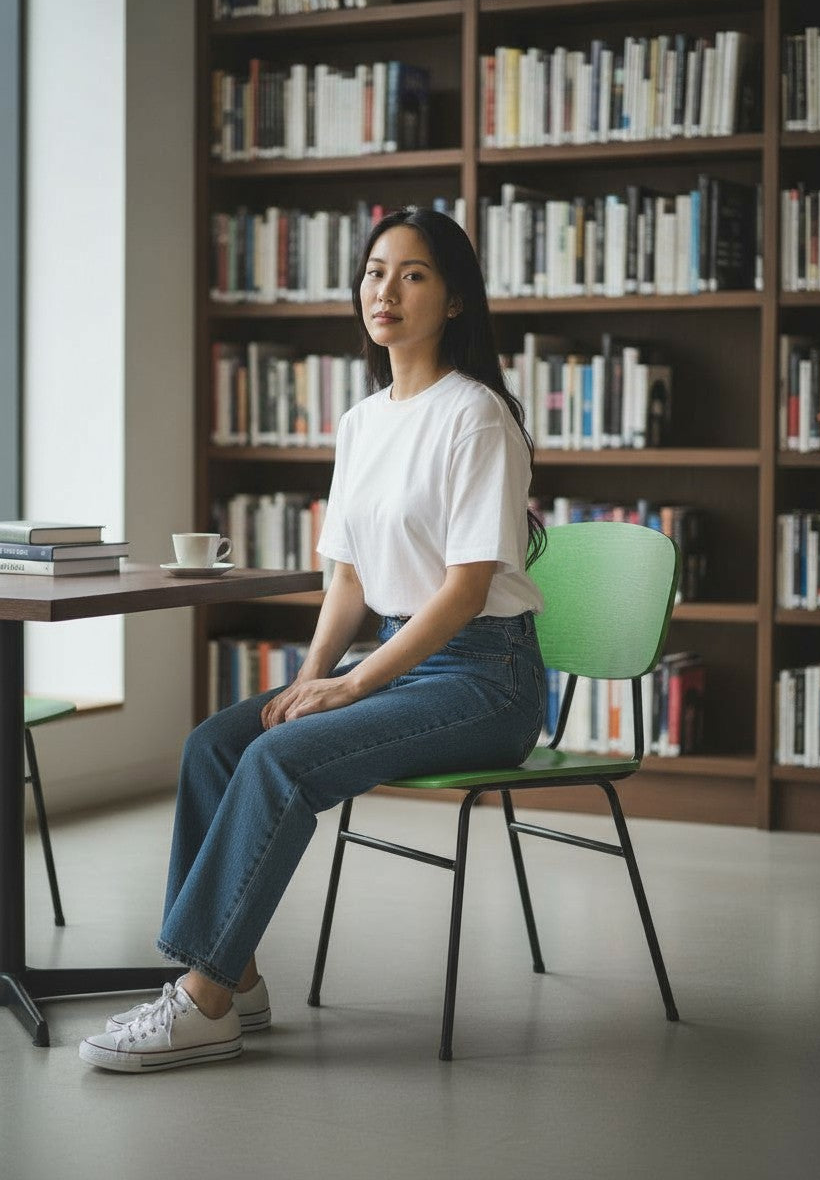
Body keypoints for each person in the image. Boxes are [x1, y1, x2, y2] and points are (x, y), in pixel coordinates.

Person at [79, 207, 548, 1074]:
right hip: (404, 661)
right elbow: (349, 580)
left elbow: (464, 591)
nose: (386, 290)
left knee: (278, 760)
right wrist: (311, 678)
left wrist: (354, 685)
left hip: (488, 678)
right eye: (375, 272)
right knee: (218, 744)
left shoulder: (476, 416)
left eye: (413, 274)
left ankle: (202, 998)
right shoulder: (362, 422)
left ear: (453, 300)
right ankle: (238, 978)